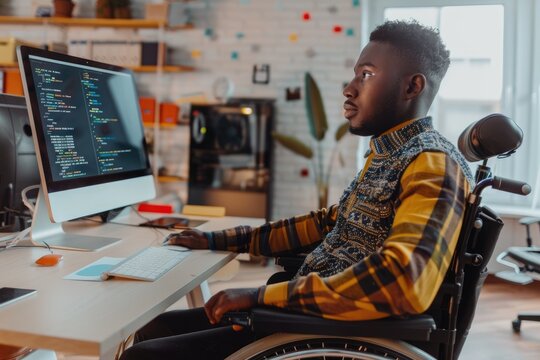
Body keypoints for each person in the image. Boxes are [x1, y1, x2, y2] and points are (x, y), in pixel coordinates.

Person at [120, 20, 473, 360]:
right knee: (155, 327)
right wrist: (218, 240)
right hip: (313, 315)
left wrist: (263, 295)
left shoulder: (432, 163)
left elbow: (404, 280)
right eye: (354, 75)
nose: (349, 88)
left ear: (412, 87)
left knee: (142, 355)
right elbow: (325, 224)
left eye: (366, 75)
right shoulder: (391, 154)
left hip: (332, 329)